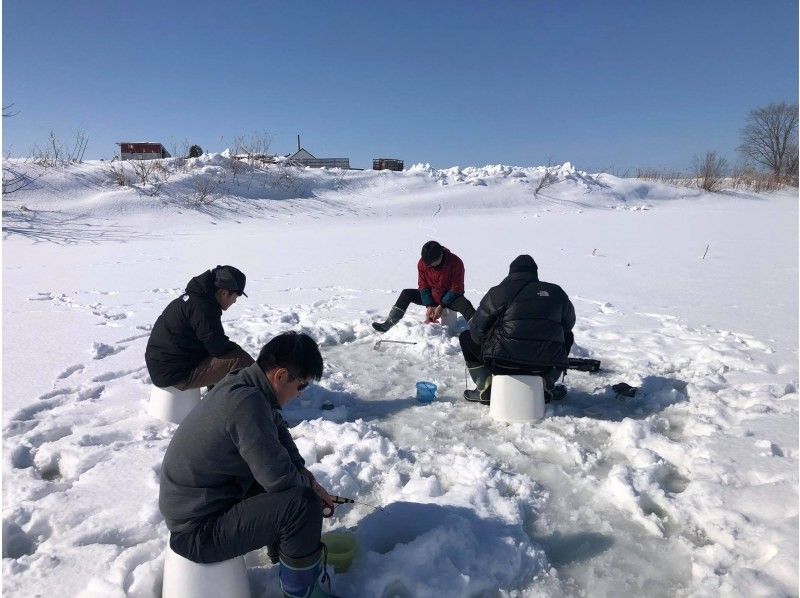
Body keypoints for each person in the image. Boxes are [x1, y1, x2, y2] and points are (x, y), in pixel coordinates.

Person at [159, 331, 340, 598]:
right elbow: (279, 479)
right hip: (197, 531)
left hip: (202, 506)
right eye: (300, 386)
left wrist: (303, 471)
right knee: (302, 505)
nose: (299, 395)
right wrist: (311, 489)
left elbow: (277, 426)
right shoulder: (247, 403)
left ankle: (286, 554)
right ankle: (302, 591)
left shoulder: (244, 382)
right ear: (280, 376)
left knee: (291, 484)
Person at [460, 255, 575, 404]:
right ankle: (548, 383)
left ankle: (485, 386)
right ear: (535, 273)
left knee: (465, 337)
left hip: (502, 364)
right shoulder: (556, 292)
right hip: (544, 365)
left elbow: (476, 331)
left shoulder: (498, 292)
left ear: (511, 273)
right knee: (568, 336)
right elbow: (568, 325)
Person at [145, 265, 254, 390]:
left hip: (163, 366)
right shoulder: (203, 308)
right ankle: (264, 402)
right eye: (236, 296)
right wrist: (236, 349)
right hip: (172, 374)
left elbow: (211, 341)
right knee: (240, 360)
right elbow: (218, 348)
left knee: (218, 355)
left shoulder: (197, 299)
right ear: (224, 293)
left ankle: (216, 400)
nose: (234, 301)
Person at [372, 240, 476, 332]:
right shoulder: (423, 263)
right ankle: (387, 324)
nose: (429, 265)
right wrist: (429, 305)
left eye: (431, 263)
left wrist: (442, 305)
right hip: (433, 295)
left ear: (440, 256)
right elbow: (423, 285)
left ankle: (480, 331)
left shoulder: (455, 262)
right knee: (406, 294)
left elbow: (457, 288)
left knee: (466, 305)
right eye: (427, 263)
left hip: (451, 298)